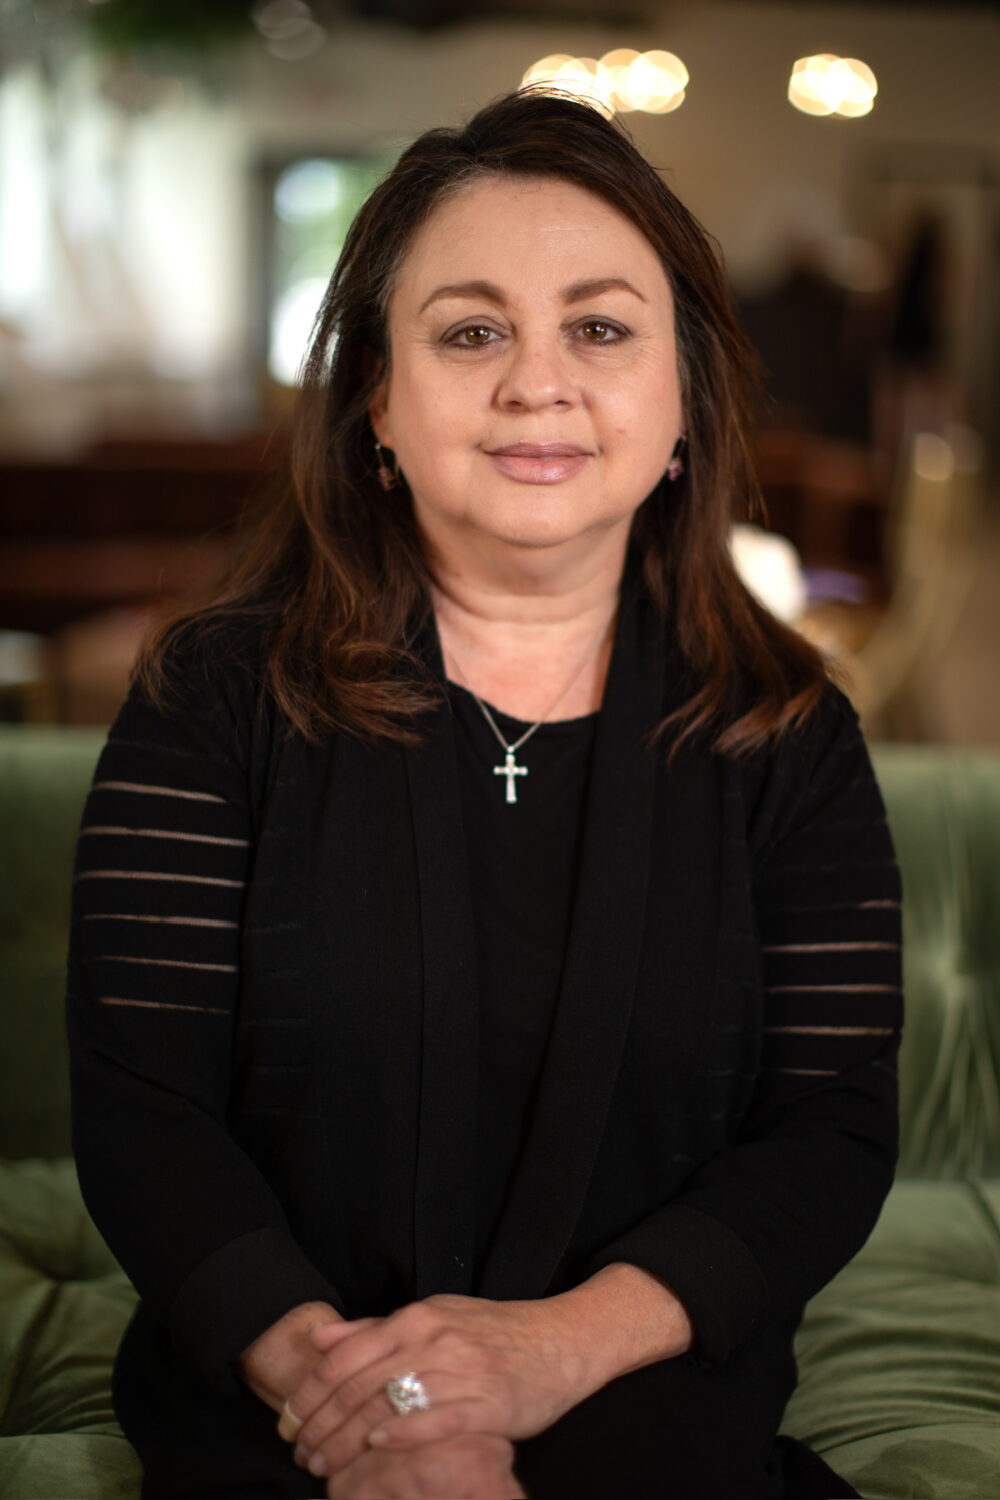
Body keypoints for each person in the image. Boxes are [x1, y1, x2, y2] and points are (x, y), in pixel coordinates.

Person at [66, 88, 903, 1500]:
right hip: (282, 1407)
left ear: (684, 400)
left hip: (646, 1394)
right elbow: (144, 1110)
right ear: (376, 403)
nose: (536, 382)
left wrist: (547, 1356)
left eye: (600, 327)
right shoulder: (213, 697)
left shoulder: (790, 735)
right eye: (469, 332)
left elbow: (830, 1130)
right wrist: (378, 1403)